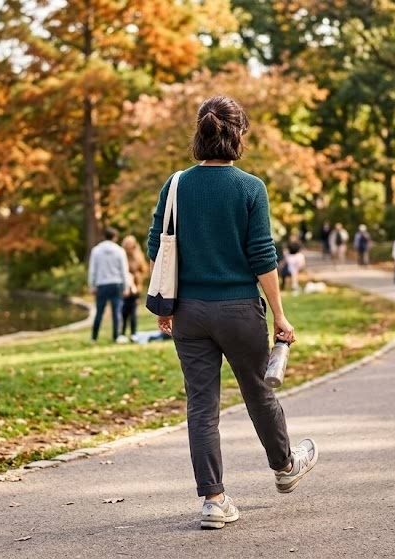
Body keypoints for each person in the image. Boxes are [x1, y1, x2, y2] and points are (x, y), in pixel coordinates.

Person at [146, 96, 317, 531]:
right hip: (240, 311)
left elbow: (156, 246)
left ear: (200, 133)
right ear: (237, 134)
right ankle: (284, 467)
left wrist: (167, 305)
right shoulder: (249, 187)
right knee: (259, 391)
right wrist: (279, 314)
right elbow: (262, 255)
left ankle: (214, 501)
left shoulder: (176, 185)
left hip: (189, 313)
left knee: (201, 406)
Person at [88, 227, 129, 343]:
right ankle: (116, 336)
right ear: (115, 237)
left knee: (99, 312)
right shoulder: (120, 251)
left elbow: (92, 270)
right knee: (116, 311)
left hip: (102, 284)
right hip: (116, 284)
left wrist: (92, 285)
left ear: (103, 236)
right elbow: (124, 270)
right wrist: (126, 287)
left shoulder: (96, 251)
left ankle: (94, 337)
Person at [120, 235, 147, 341]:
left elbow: (144, 269)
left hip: (136, 287)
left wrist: (137, 276)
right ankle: (122, 333)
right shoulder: (122, 255)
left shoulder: (138, 255)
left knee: (133, 311)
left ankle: (133, 333)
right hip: (125, 287)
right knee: (124, 311)